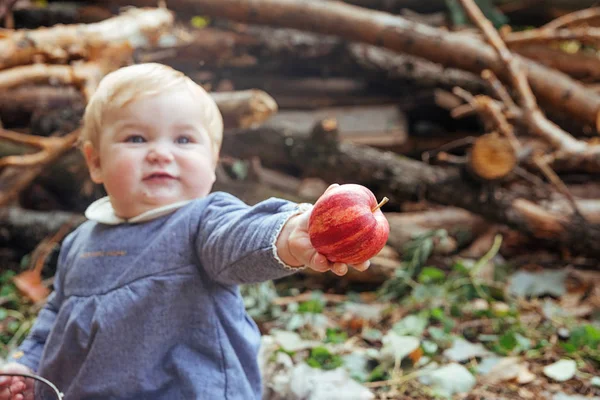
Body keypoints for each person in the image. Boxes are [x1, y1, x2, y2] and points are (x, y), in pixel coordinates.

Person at [0, 63, 369, 399]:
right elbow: (54, 318)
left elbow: (240, 237)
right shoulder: (80, 242)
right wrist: (26, 364)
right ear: (95, 162)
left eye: (183, 140)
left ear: (212, 163)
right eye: (136, 139)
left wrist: (289, 232)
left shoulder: (202, 221)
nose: (161, 153)